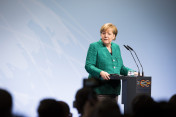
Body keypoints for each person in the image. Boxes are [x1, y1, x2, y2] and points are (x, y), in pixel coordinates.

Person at [85, 23, 136, 102]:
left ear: (114, 36)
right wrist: (100, 72)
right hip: (99, 90)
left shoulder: (116, 47)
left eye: (109, 34)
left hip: (114, 90)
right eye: (103, 33)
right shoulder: (94, 46)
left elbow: (121, 68)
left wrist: (134, 73)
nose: (106, 36)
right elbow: (88, 65)